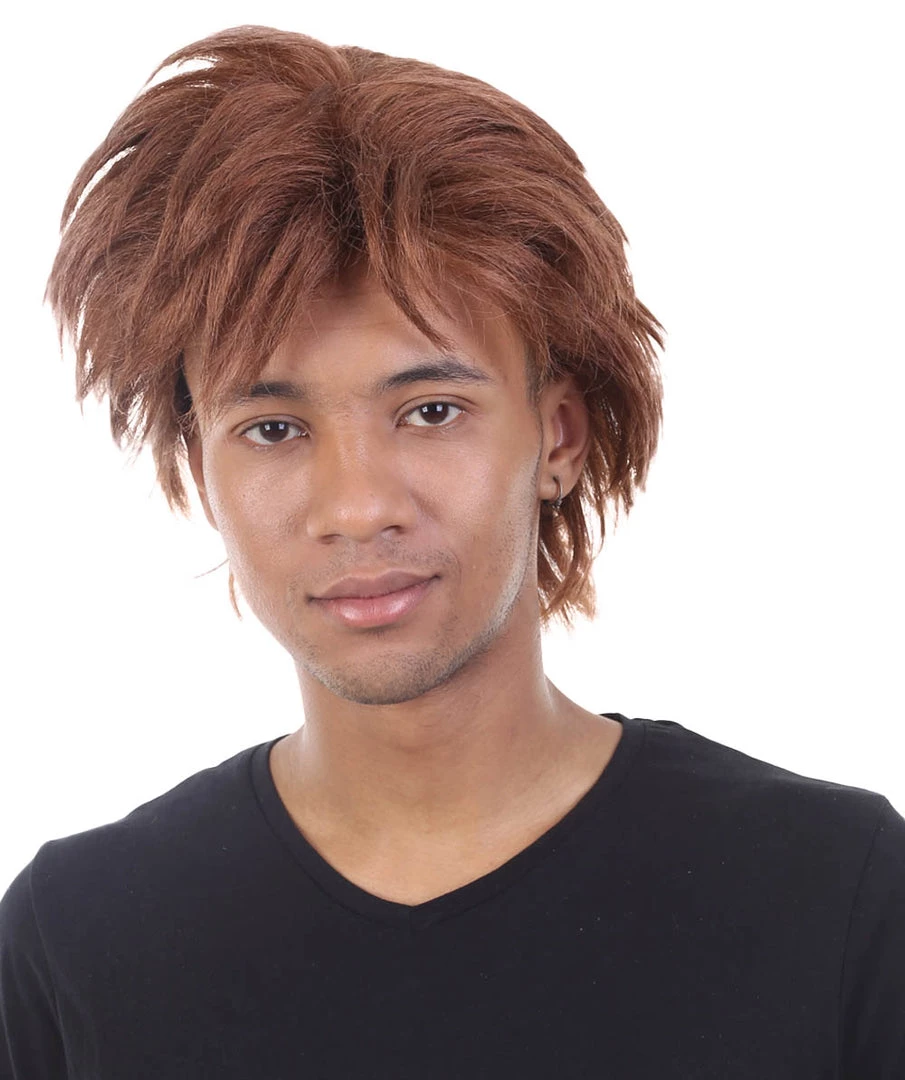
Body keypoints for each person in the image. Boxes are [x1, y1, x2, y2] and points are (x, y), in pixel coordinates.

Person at [1, 24, 902, 1078]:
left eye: (430, 410)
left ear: (557, 437)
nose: (357, 507)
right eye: (273, 429)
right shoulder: (81, 944)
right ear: (200, 469)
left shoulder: (831, 895)